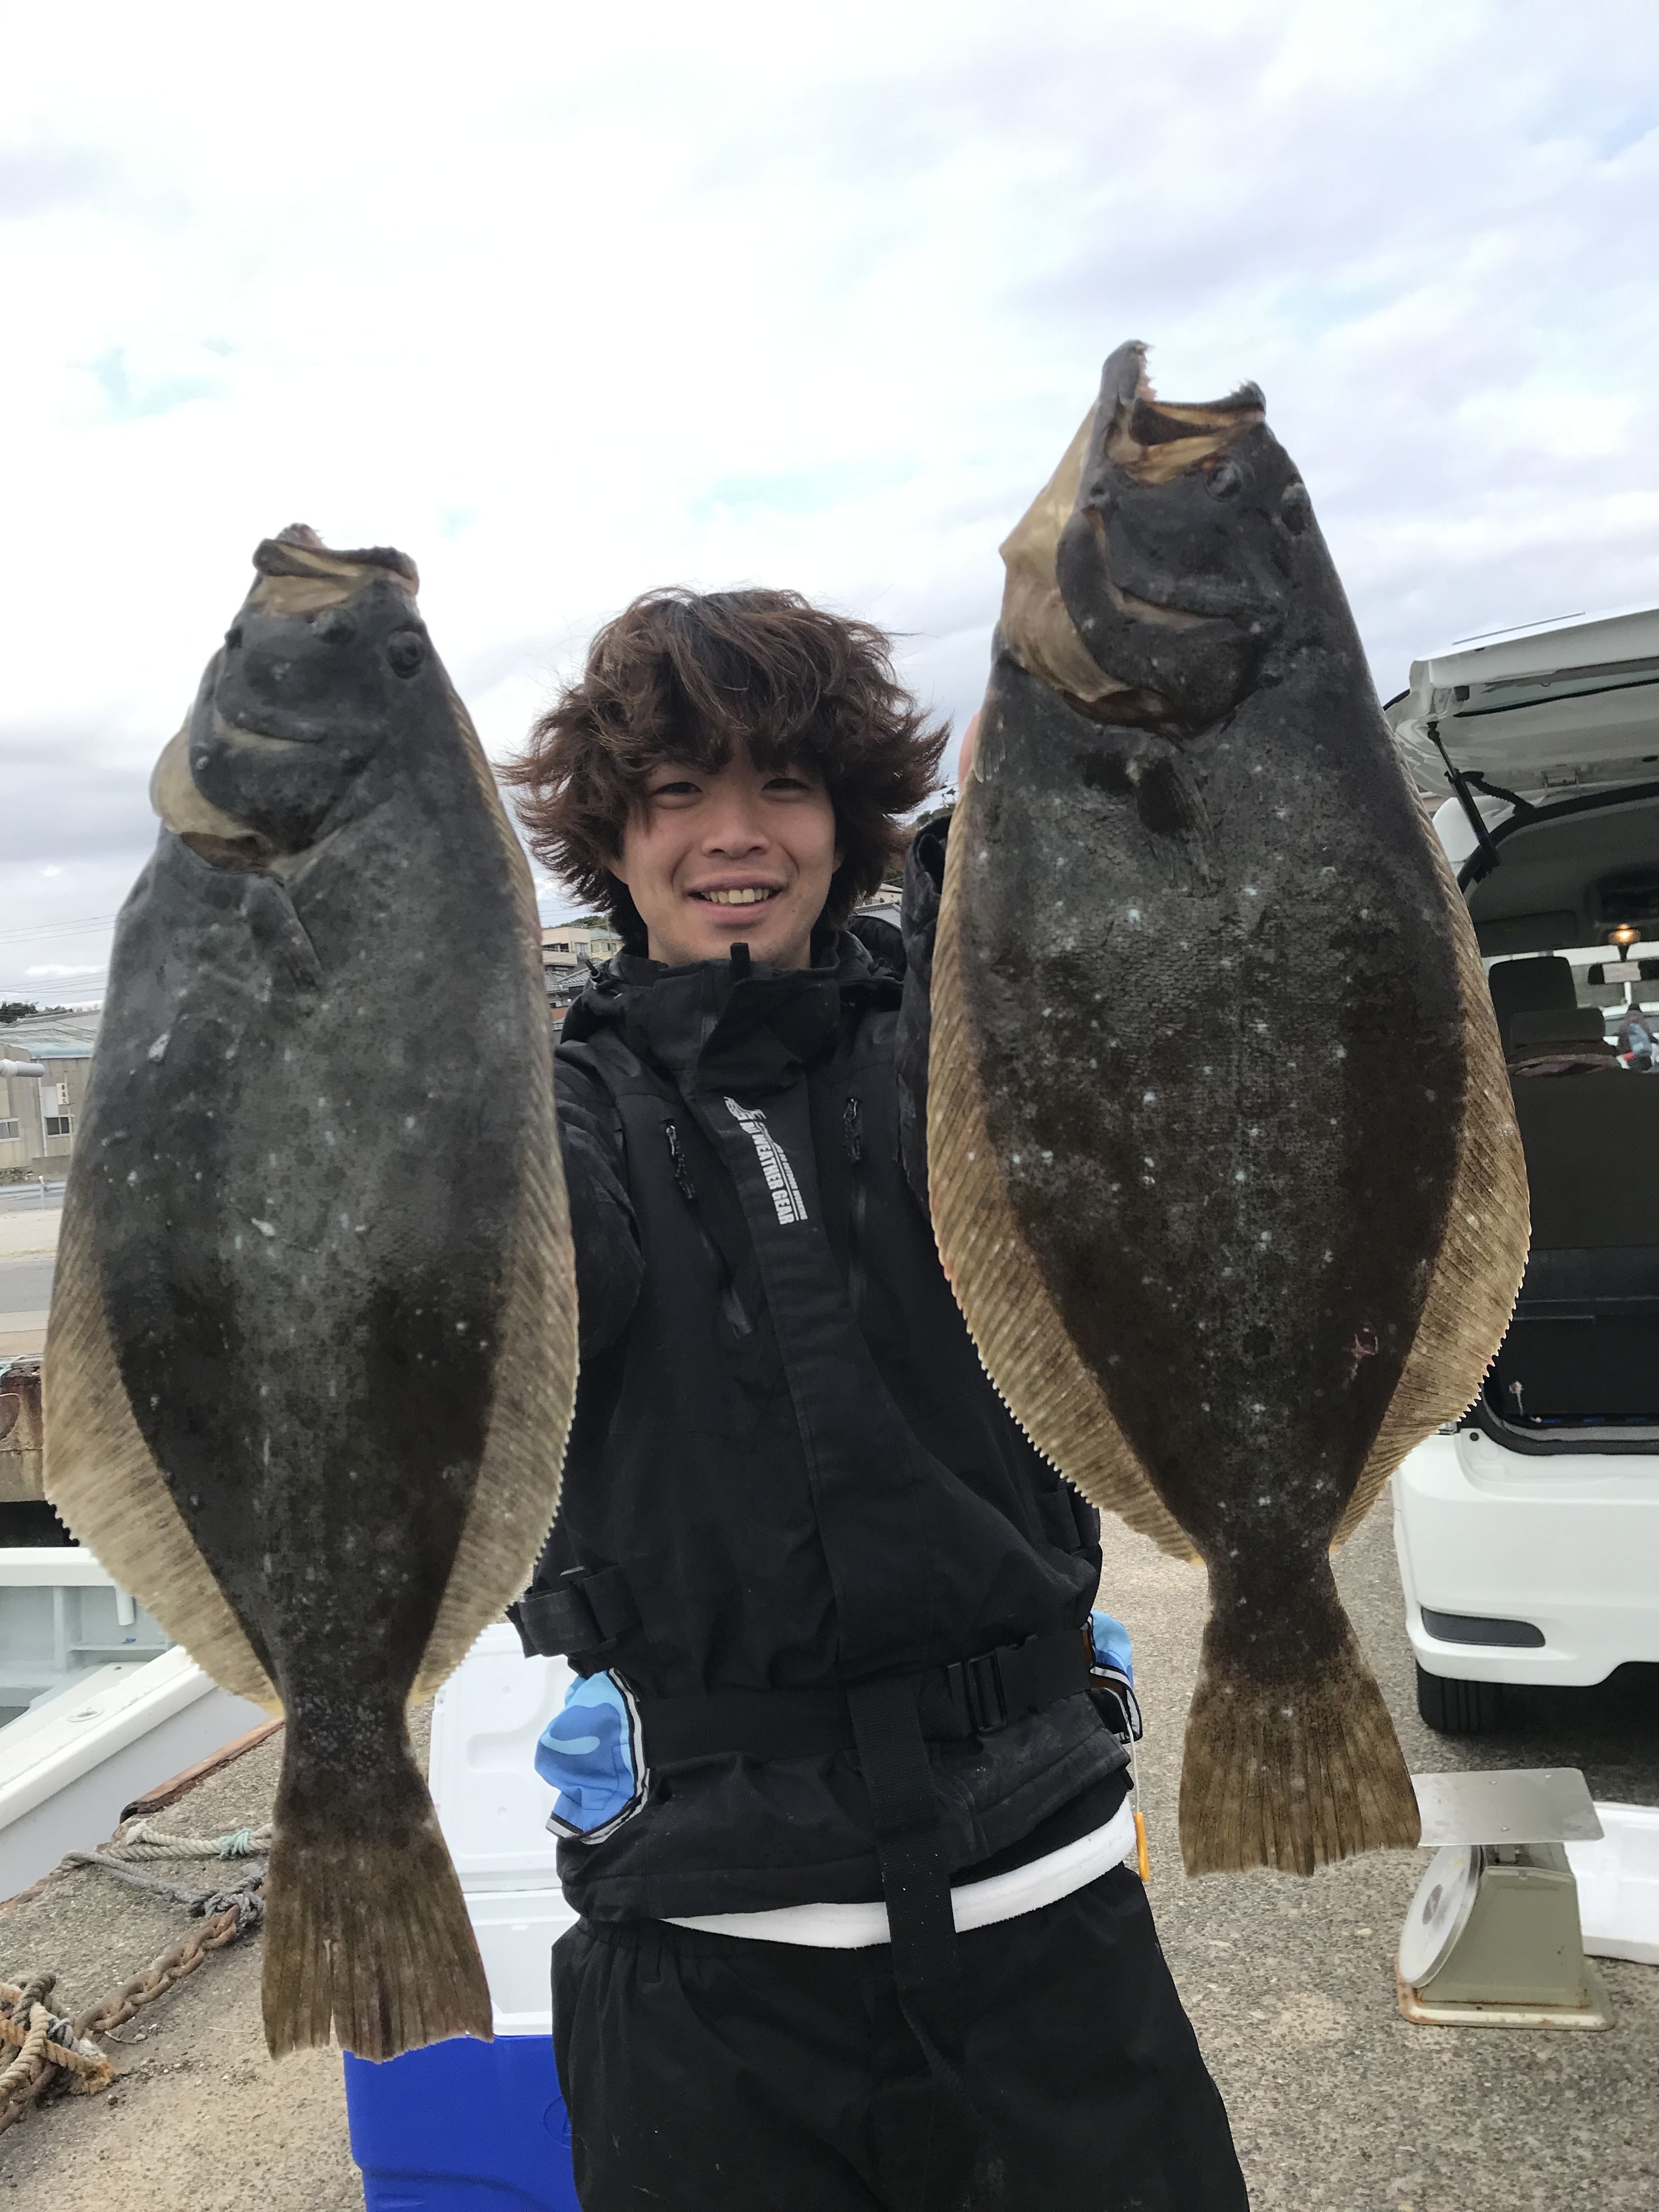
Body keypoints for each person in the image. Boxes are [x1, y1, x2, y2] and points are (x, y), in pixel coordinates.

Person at [503, 586, 1249, 2212]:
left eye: (783, 784)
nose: (734, 834)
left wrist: (1052, 789)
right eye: (678, 793)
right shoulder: (553, 1109)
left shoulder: (962, 1049)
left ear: (849, 820)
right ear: (612, 838)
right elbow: (501, 1294)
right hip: (706, 1945)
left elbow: (1137, 1008)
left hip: (1044, 1890)